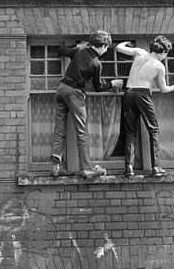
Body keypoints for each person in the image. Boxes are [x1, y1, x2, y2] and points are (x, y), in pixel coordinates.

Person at [50, 30, 123, 180]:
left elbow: (61, 51)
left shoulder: (79, 50)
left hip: (61, 89)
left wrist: (78, 45)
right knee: (82, 132)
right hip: (75, 93)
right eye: (107, 47)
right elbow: (98, 87)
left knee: (59, 128)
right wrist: (112, 83)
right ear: (102, 45)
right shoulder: (96, 64)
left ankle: (56, 166)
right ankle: (87, 168)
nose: (106, 50)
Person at [116, 36, 174, 178]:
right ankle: (156, 166)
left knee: (130, 132)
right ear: (163, 51)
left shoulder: (140, 53)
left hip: (129, 93)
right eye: (166, 53)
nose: (165, 56)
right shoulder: (159, 66)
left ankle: (129, 167)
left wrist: (125, 42)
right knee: (153, 129)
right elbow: (164, 89)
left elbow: (118, 48)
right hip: (143, 94)